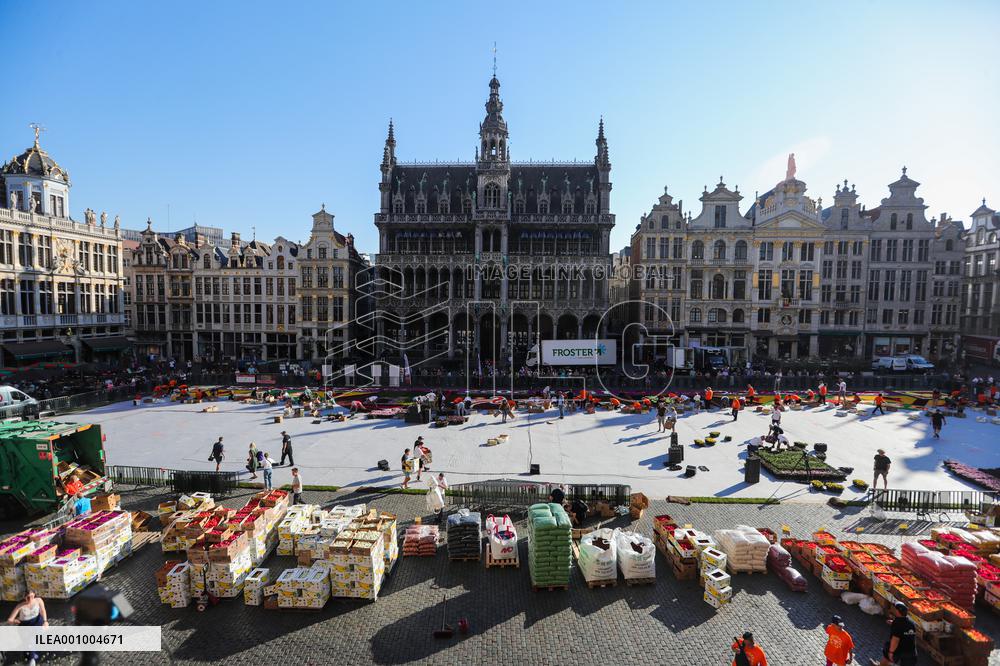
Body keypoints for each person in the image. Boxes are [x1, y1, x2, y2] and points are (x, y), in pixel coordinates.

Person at [7, 590, 48, 666]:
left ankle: (33, 656)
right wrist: (15, 621)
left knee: (35, 640)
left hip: (37, 622)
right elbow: (10, 620)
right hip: (25, 625)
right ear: (24, 598)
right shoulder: (20, 606)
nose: (30, 599)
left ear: (34, 595)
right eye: (28, 597)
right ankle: (32, 659)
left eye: (32, 596)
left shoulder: (39, 600)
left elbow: (43, 610)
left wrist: (45, 621)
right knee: (30, 641)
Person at [871, 602, 917, 666]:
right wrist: (893, 623)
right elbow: (904, 629)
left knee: (886, 658)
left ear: (898, 611)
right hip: (910, 651)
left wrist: (891, 652)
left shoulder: (897, 625)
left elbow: (895, 640)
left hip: (899, 649)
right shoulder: (911, 623)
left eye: (895, 608)